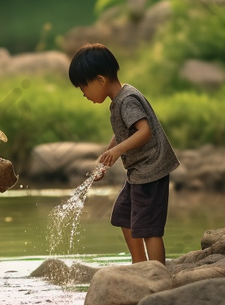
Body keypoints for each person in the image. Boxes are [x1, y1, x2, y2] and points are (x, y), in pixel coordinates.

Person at [68, 43, 179, 264]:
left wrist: (118, 150)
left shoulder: (127, 100)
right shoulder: (119, 100)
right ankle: (138, 263)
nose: (84, 95)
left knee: (149, 228)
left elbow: (144, 131)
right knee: (123, 214)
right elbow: (123, 132)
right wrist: (107, 156)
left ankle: (157, 272)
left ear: (100, 80)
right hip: (140, 172)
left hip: (151, 170)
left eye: (83, 88)